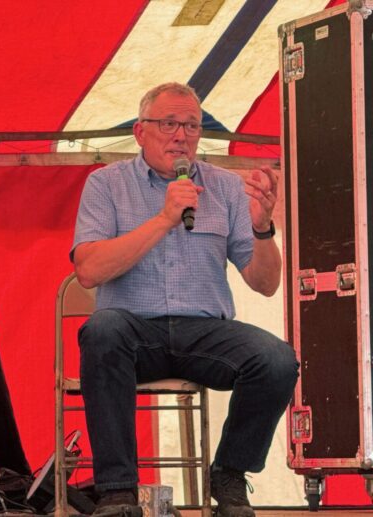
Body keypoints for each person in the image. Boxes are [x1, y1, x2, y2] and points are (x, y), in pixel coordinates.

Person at [71, 82, 299, 517]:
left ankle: (229, 474)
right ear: (140, 132)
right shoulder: (106, 184)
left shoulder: (226, 187)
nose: (181, 136)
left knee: (277, 359)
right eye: (169, 124)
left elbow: (265, 283)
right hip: (133, 331)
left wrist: (262, 229)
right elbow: (89, 270)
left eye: (192, 126)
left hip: (204, 333)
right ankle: (117, 490)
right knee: (102, 330)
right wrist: (164, 218)